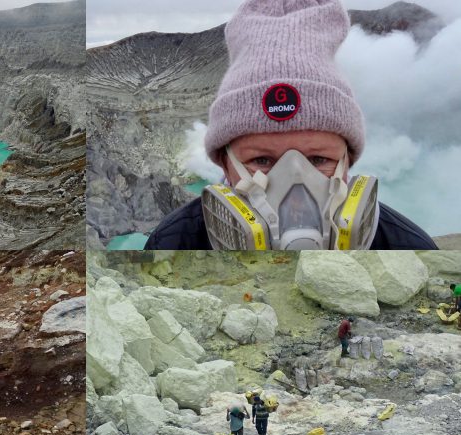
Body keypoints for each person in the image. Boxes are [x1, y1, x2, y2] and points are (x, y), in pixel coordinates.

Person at [145, 0, 437, 251]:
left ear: (348, 162)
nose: (296, 190)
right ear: (224, 162)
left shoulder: (408, 248)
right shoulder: (173, 244)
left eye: (319, 159)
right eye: (262, 160)